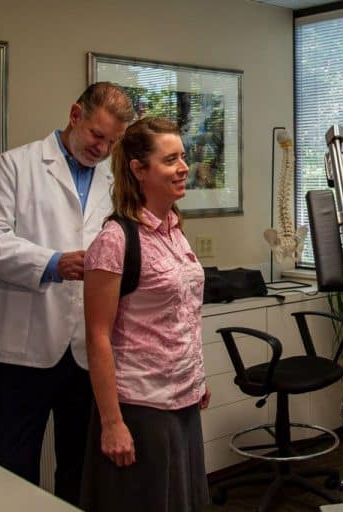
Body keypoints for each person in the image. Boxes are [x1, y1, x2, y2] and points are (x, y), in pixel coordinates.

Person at [0, 82, 134, 505]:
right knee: (14, 467)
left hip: (86, 350)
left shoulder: (113, 180)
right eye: (98, 135)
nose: (102, 148)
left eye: (112, 142)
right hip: (25, 348)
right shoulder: (16, 166)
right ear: (75, 115)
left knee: (80, 467)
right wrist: (53, 263)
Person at [80, 117, 211, 512]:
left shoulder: (174, 230)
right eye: (170, 160)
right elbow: (97, 336)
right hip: (141, 408)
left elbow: (182, 315)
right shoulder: (115, 240)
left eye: (183, 157)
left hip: (184, 402)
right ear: (138, 170)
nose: (184, 167)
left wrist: (197, 376)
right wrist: (111, 422)